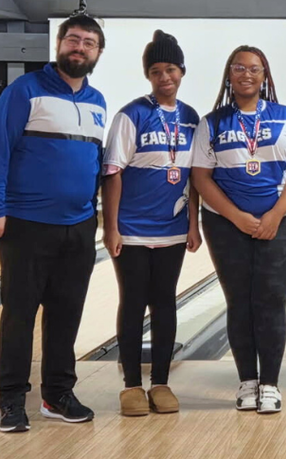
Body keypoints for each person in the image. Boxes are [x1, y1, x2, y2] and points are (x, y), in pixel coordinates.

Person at [0, 14, 107, 433]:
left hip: (80, 225)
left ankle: (57, 394)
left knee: (66, 313)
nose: (80, 47)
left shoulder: (97, 102)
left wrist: (94, 216)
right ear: (59, 44)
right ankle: (12, 399)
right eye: (74, 39)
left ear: (97, 53)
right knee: (20, 314)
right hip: (26, 223)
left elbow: (92, 162)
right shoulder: (24, 91)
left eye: (89, 43)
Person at [190, 45, 286, 414]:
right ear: (229, 74)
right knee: (239, 301)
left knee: (271, 301)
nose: (247, 74)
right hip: (226, 224)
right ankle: (247, 381)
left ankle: (271, 384)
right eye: (239, 67)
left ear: (265, 76)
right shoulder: (212, 123)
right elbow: (201, 177)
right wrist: (235, 216)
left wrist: (276, 213)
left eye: (254, 68)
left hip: (285, 221)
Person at [102, 30, 202, 416]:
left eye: (171, 69)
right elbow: (113, 174)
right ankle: (130, 385)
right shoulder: (132, 115)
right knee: (133, 302)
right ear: (148, 75)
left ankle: (160, 382)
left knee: (165, 304)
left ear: (182, 71)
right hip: (131, 228)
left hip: (173, 229)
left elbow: (193, 175)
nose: (165, 77)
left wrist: (193, 223)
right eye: (157, 70)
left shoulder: (192, 118)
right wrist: (110, 228)